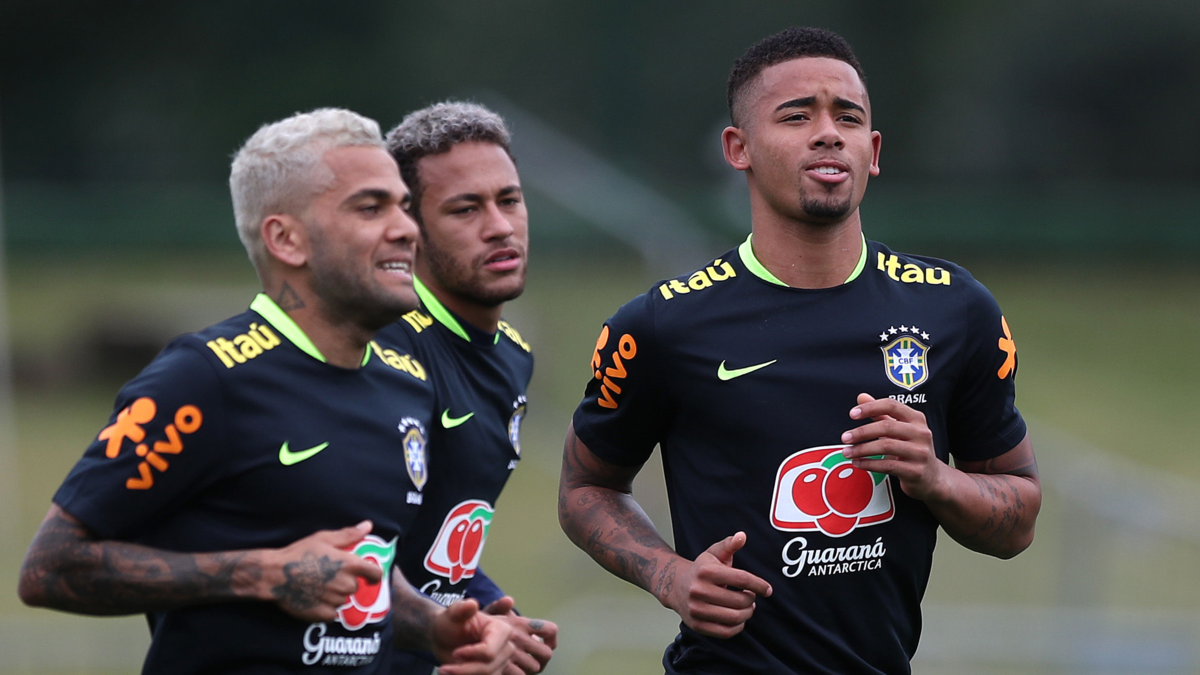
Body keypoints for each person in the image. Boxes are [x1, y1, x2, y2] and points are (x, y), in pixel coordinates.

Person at [558, 27, 1041, 675]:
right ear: (739, 149)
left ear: (872, 152)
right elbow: (586, 486)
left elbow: (1018, 519)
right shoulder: (662, 324)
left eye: (848, 117)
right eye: (796, 116)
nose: (827, 133)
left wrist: (935, 477)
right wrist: (669, 575)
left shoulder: (955, 310)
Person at [18, 108, 514, 675]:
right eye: (370, 208)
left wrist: (437, 627)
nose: (406, 228)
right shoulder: (203, 378)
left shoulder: (405, 382)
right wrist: (263, 574)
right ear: (286, 239)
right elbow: (50, 567)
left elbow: (365, 568)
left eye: (403, 206)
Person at [377, 101, 558, 675]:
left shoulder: (512, 358)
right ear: (409, 228)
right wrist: (464, 629)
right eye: (465, 208)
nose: (500, 226)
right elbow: (349, 557)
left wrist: (493, 613)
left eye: (509, 200)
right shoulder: (381, 353)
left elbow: (434, 553)